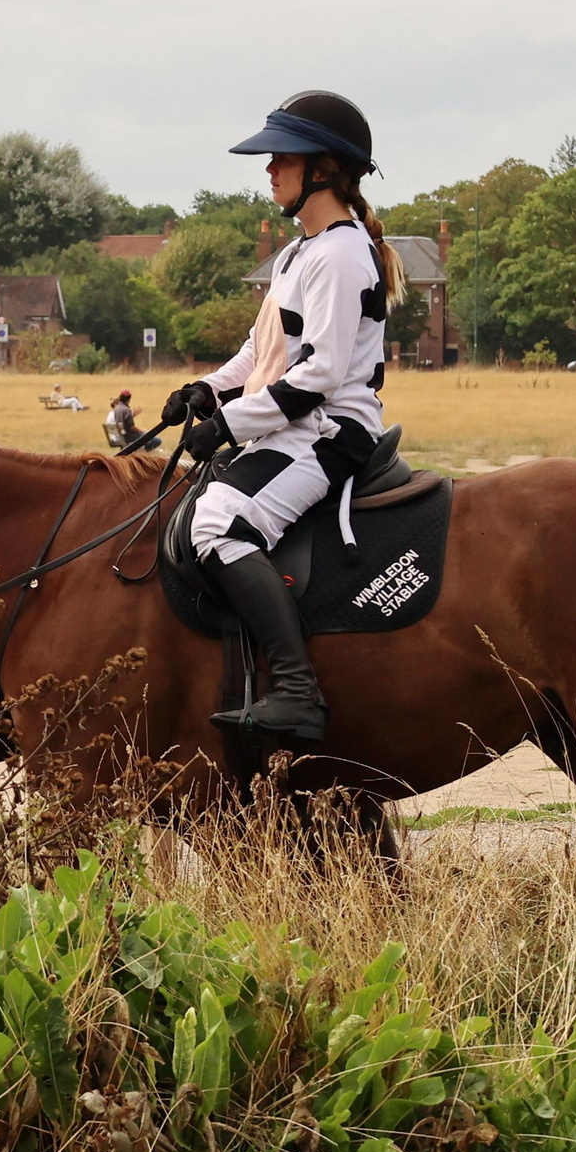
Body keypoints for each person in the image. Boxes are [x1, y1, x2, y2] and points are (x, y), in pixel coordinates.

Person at [159, 90, 404, 740]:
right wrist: (206, 391)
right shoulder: (299, 252)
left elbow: (319, 377)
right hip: (291, 425)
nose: (269, 169)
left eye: (281, 158)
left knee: (216, 523)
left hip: (329, 434)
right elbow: (259, 353)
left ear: (322, 168)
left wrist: (231, 425)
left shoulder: (341, 253)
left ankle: (297, 690)